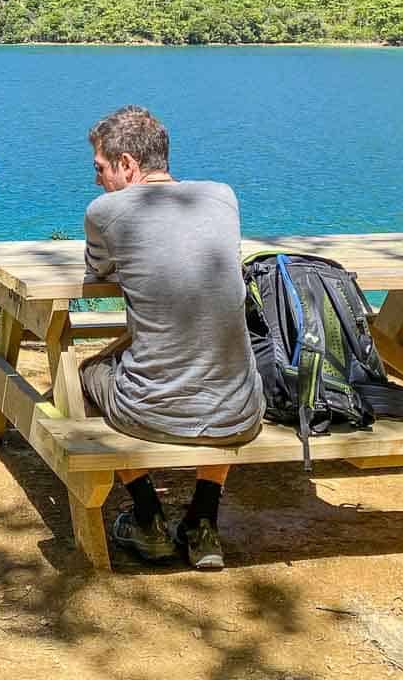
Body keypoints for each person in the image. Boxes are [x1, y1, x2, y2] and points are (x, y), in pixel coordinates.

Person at [79, 105, 264, 568]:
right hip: (239, 413)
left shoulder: (105, 210)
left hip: (147, 414)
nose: (97, 180)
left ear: (127, 165)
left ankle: (147, 515)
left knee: (83, 372)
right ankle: (203, 519)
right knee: (217, 359)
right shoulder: (222, 196)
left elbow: (98, 271)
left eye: (101, 168)